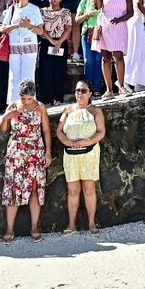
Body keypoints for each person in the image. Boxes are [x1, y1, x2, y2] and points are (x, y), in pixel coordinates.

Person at [0, 79, 52, 243]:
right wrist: (6, 117)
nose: (26, 102)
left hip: (35, 151)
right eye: (24, 99)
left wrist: (48, 152)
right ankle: (9, 229)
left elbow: (46, 131)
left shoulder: (40, 107)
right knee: (13, 189)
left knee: (35, 189)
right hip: (16, 152)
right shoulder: (13, 107)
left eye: (29, 99)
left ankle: (35, 227)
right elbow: (3, 129)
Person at [58, 79, 105, 234]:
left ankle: (92, 223)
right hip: (71, 155)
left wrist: (88, 141)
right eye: (78, 90)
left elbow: (101, 131)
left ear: (90, 93)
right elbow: (59, 130)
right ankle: (71, 224)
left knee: (89, 189)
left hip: (89, 154)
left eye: (83, 90)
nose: (80, 94)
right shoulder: (68, 110)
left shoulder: (95, 111)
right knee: (72, 190)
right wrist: (66, 141)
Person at [0, 0, 45, 104]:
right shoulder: (12, 9)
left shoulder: (34, 9)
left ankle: (29, 103)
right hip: (15, 48)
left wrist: (29, 26)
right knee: (14, 77)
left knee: (28, 75)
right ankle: (14, 104)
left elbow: (40, 31)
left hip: (29, 47)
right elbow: (2, 28)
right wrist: (17, 25)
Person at [94, 0, 131, 98]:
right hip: (105, 26)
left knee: (118, 56)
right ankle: (109, 90)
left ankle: (121, 86)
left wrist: (119, 20)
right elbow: (97, 6)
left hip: (119, 27)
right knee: (106, 58)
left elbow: (130, 12)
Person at [38, 0, 72, 105]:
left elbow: (68, 29)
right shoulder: (43, 12)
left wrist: (59, 42)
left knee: (59, 71)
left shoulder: (65, 12)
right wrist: (51, 40)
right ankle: (46, 99)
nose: (54, 0)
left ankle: (57, 97)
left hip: (61, 43)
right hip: (47, 42)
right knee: (45, 71)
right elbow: (41, 29)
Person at [75, 0, 104, 92]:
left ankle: (96, 88)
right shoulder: (84, 2)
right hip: (88, 32)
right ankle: (87, 88)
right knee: (89, 61)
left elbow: (99, 6)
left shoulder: (102, 1)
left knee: (98, 60)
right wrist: (86, 15)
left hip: (100, 32)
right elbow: (77, 20)